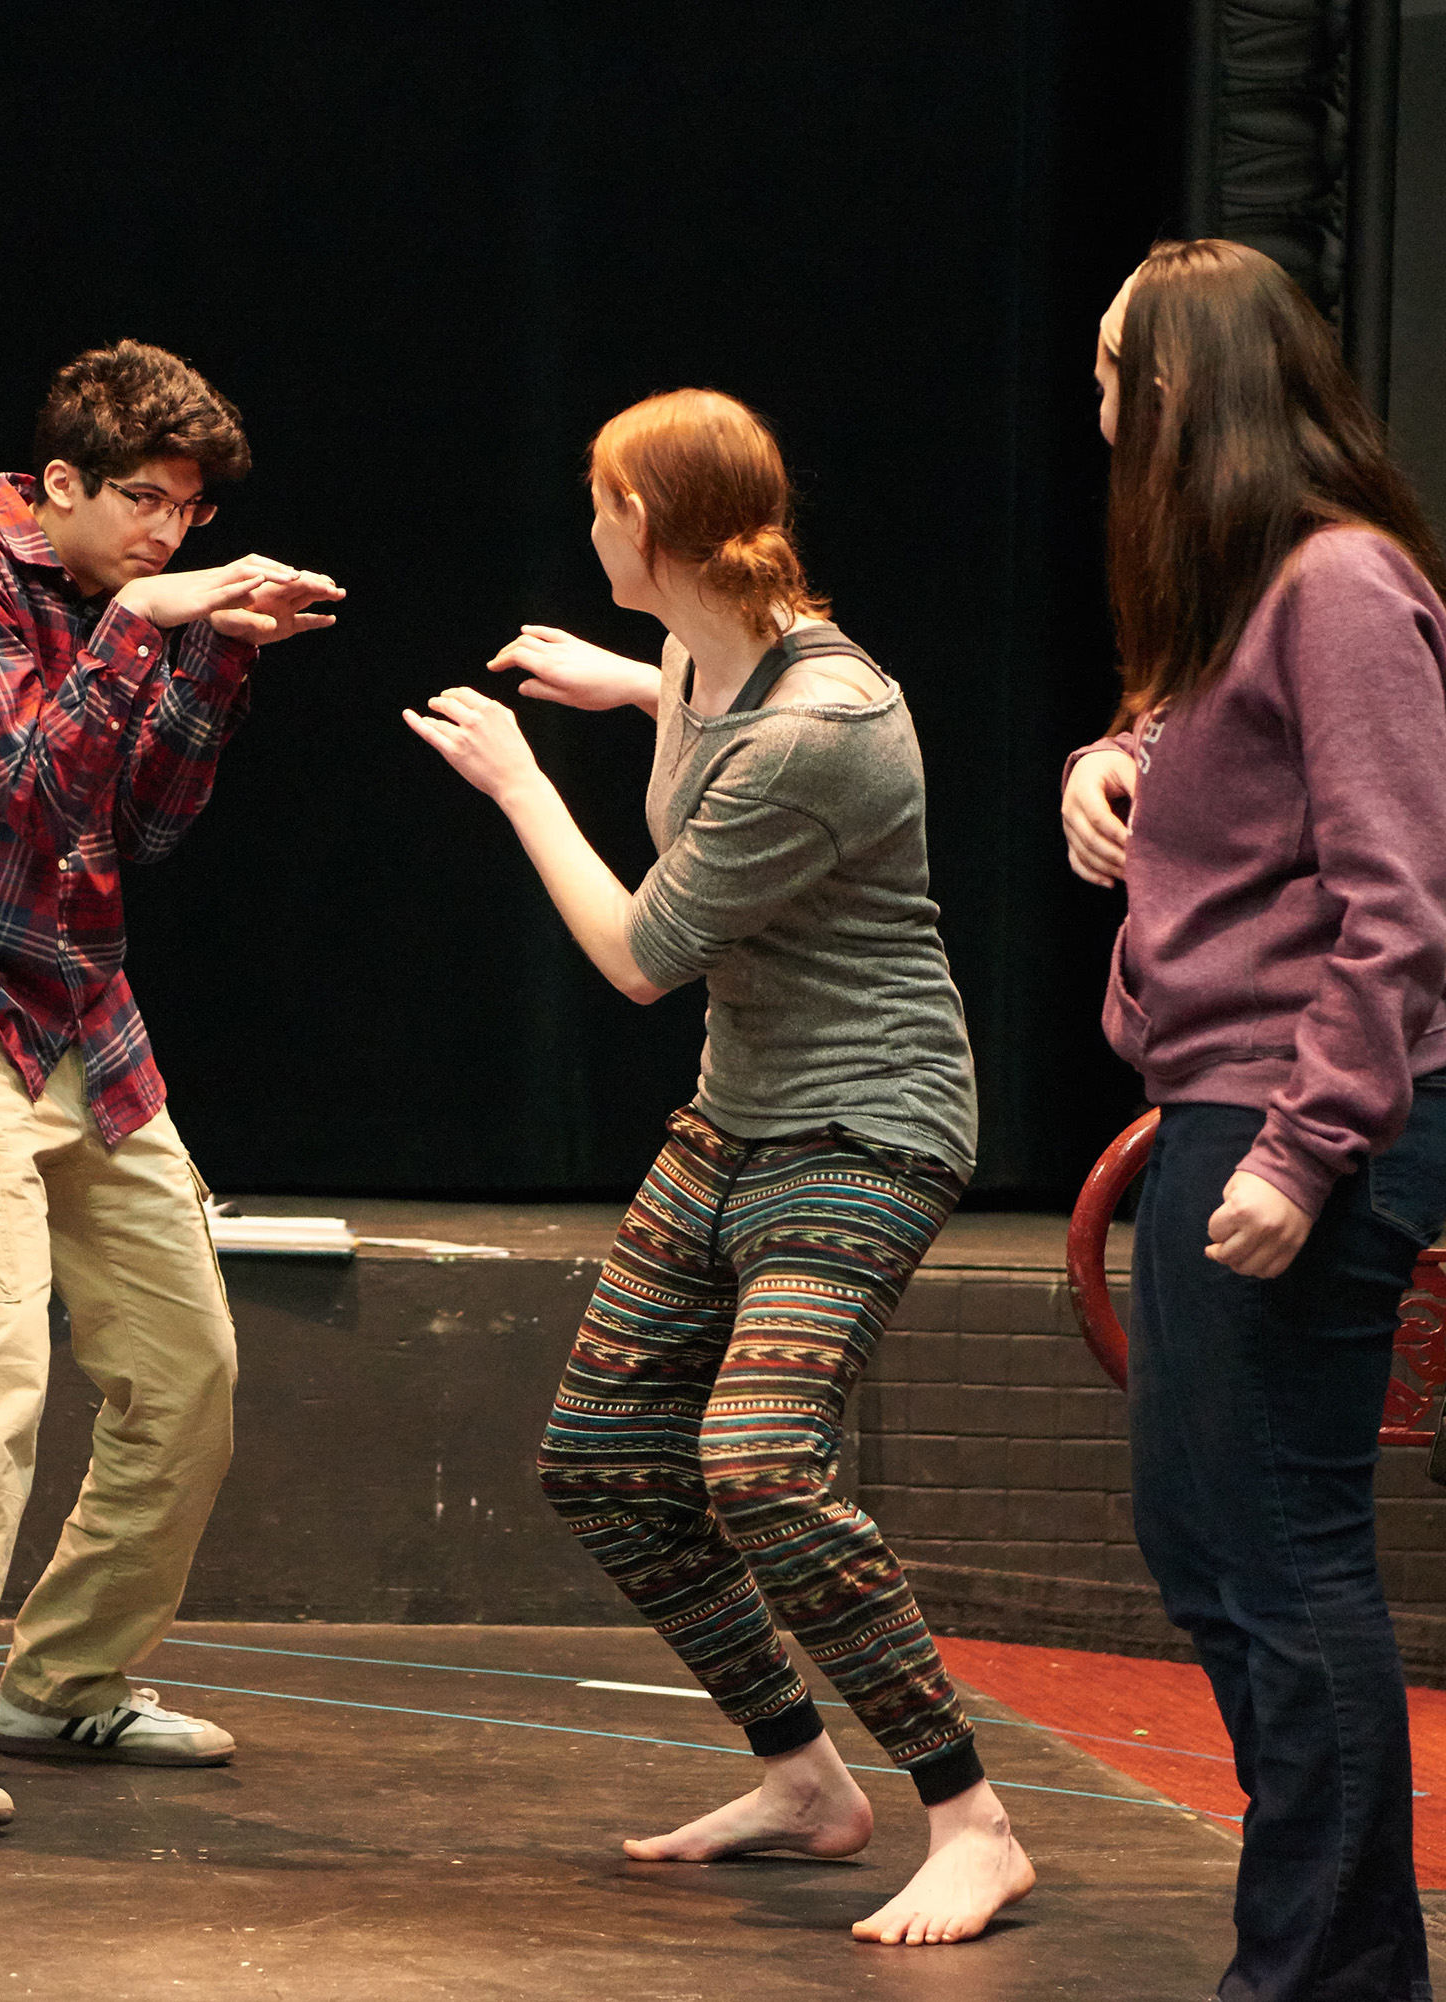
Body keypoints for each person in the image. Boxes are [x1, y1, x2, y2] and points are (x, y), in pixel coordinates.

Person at [405, 387, 1032, 1948]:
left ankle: (975, 1817)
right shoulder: (707, 640)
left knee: (754, 1462)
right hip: (743, 1111)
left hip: (869, 1122)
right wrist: (618, 682)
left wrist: (521, 778)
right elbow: (703, 688)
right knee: (604, 1452)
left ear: (661, 531)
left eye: (605, 499)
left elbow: (635, 953)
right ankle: (809, 1782)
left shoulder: (825, 730)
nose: (590, 520)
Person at [0, 340, 343, 1834]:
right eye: (148, 505)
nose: (173, 537)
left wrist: (217, 645)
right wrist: (153, 623)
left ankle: (67, 1679)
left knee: (188, 1371)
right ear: (60, 485)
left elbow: (143, 817)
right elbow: (35, 784)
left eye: (191, 514)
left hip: (80, 1013)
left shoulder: (134, 606)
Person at [1057, 240, 1446, 2001]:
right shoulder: (1246, 599)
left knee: (1287, 1558)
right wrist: (1108, 763)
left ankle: (1310, 1970)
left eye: (1108, 375)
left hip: (1314, 1115)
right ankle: (1353, 1958)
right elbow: (1216, 768)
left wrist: (1309, 1150)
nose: (1092, 408)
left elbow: (1405, 907)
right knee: (1203, 1544)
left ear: (1174, 391)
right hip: (1228, 1100)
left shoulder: (1342, 584)